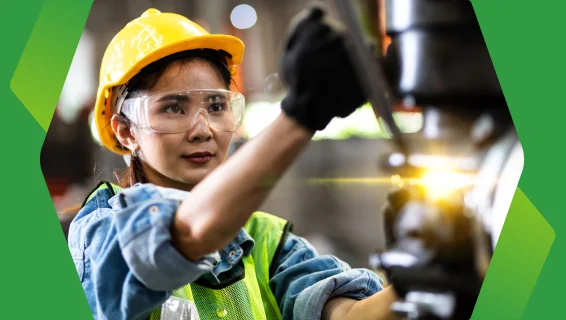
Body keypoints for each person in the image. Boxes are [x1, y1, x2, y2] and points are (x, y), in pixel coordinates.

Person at [68, 7, 399, 320]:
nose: (202, 130)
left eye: (215, 105)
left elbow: (351, 315)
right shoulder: (102, 230)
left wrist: (424, 273)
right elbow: (185, 233)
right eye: (172, 107)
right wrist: (302, 115)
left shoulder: (265, 240)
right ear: (126, 131)